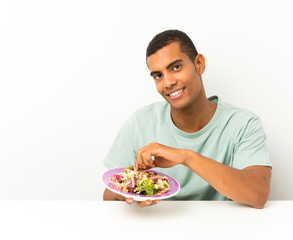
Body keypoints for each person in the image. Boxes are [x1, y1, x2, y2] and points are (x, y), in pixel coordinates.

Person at [103, 29, 272, 208]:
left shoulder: (242, 123)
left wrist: (186, 157)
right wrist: (134, 190)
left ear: (199, 64)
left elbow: (258, 193)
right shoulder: (140, 122)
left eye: (175, 67)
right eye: (158, 76)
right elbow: (108, 198)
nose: (167, 83)